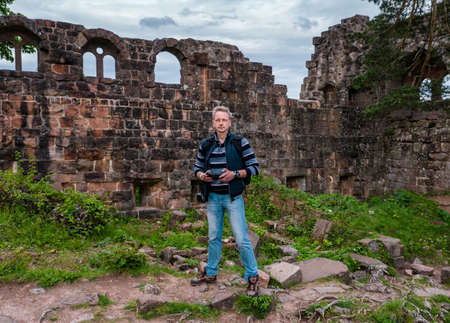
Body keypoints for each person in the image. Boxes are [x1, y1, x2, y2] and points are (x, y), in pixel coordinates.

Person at [191, 105, 260, 296]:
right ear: (213, 123)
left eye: (224, 120)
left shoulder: (240, 142)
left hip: (233, 198)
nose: (221, 123)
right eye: (217, 120)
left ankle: (253, 277)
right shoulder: (206, 144)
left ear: (229, 122)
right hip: (213, 198)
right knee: (213, 237)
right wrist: (201, 176)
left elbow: (255, 167)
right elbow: (196, 167)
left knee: (241, 239)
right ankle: (211, 273)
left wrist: (235, 174)